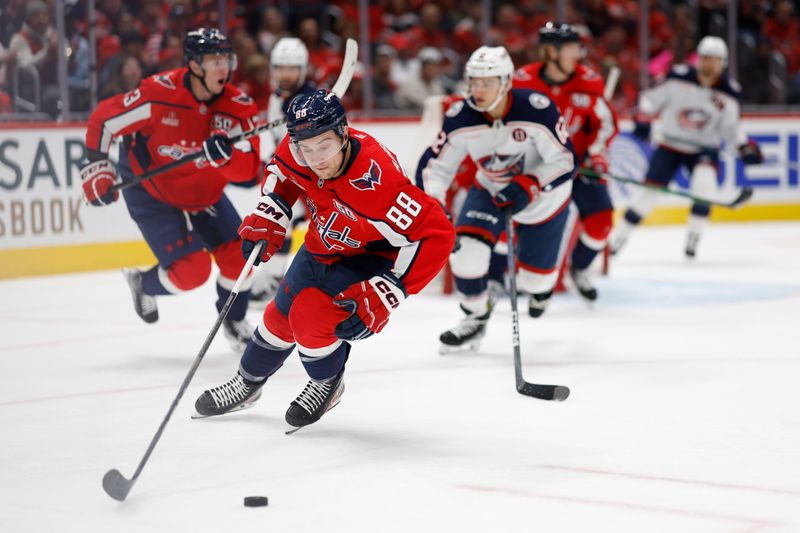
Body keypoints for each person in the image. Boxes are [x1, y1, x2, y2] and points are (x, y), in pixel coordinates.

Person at [193, 89, 454, 430]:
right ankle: (247, 383)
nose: (316, 158)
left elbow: (437, 234)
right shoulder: (296, 148)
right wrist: (273, 208)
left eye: (325, 146)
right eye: (307, 148)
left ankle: (325, 383)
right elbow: (281, 173)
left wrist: (390, 291)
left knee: (310, 315)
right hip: (321, 245)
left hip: (366, 257)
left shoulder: (378, 180)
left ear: (343, 134)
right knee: (278, 318)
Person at [80, 28, 262, 352]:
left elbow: (249, 172)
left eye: (226, 59)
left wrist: (227, 157)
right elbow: (104, 121)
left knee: (241, 257)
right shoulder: (158, 94)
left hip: (201, 192)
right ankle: (143, 284)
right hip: (151, 190)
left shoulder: (237, 106)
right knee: (192, 273)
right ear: (193, 65)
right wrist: (97, 166)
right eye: (214, 60)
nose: (224, 68)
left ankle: (233, 320)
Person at [415, 46, 577, 353]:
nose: (478, 89)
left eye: (486, 82)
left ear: (505, 82)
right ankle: (475, 318)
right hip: (490, 189)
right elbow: (435, 167)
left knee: (535, 283)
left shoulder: (537, 109)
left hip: (544, 199)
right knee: (466, 253)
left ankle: (541, 290)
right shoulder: (460, 116)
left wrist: (531, 183)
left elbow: (565, 161)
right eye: (473, 81)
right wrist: (435, 205)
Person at [610, 36, 763, 258]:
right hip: (670, 144)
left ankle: (693, 240)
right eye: (706, 59)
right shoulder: (677, 77)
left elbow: (731, 128)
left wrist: (744, 146)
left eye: (716, 60)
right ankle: (619, 240)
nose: (710, 64)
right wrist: (643, 117)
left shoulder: (729, 92)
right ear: (698, 59)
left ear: (723, 63)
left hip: (703, 149)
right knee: (647, 196)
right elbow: (649, 99)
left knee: (704, 187)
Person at [513, 22, 619, 301]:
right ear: (551, 51)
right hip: (534, 169)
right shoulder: (521, 82)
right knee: (516, 219)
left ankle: (580, 268)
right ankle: (513, 272)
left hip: (578, 167)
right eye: (571, 48)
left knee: (601, 224)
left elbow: (605, 124)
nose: (577, 54)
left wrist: (597, 153)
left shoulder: (589, 81)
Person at [248, 37, 318, 305]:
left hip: (314, 178)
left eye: (291, 68)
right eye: (280, 68)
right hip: (292, 175)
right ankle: (275, 279)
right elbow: (281, 142)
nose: (285, 74)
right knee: (280, 219)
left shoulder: (311, 100)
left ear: (302, 70)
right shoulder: (276, 98)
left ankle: (277, 280)